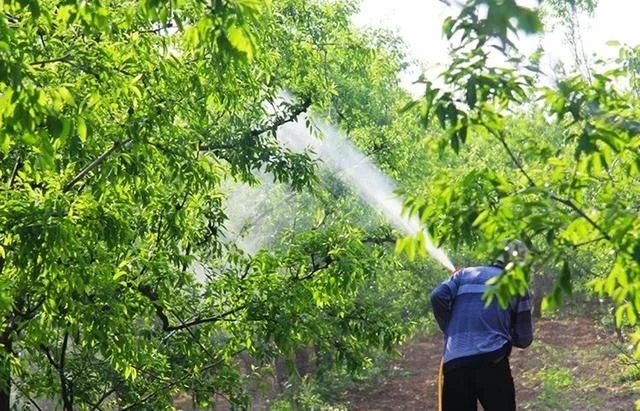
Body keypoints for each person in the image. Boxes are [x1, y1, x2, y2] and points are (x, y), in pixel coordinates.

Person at [430, 240, 534, 411]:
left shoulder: (463, 274)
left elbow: (437, 296)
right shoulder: (517, 286)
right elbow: (524, 339)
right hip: (492, 362)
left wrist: (450, 328)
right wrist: (502, 328)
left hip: (456, 364)